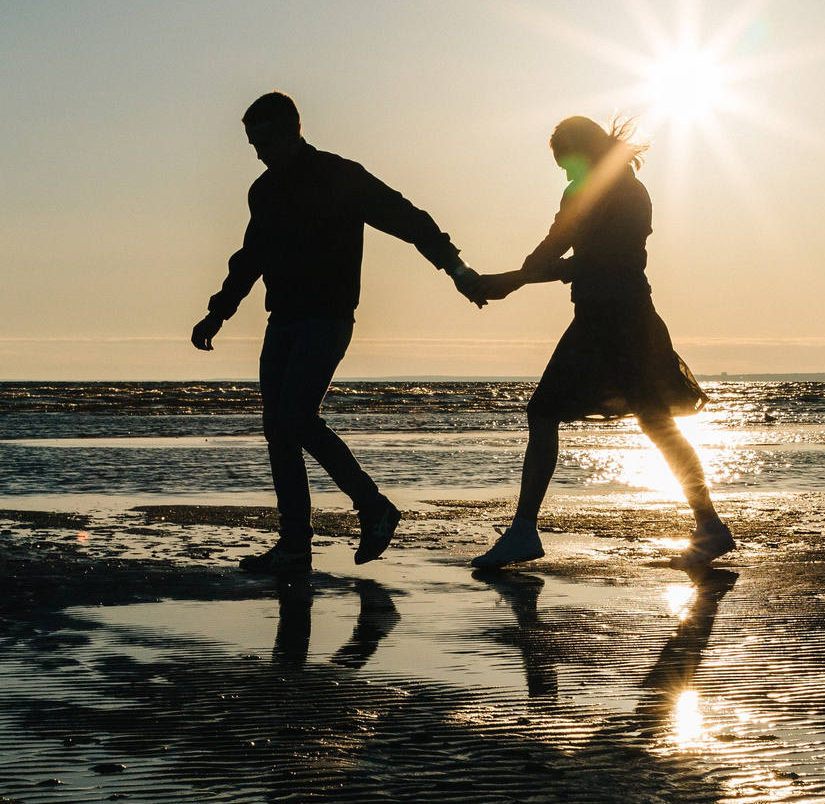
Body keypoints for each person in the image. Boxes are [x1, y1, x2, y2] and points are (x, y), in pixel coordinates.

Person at [193, 91, 487, 573]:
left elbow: (407, 219)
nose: (259, 152)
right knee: (278, 431)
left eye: (265, 140)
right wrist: (218, 312)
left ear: (293, 131)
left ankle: (373, 507)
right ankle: (294, 545)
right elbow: (250, 257)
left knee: (296, 416)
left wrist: (456, 268)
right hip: (282, 320)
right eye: (252, 143)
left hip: (327, 318)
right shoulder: (263, 192)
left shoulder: (339, 175)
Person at [463, 115, 733, 570]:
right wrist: (511, 280)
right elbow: (554, 244)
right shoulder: (577, 192)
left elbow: (603, 260)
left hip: (625, 319)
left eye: (568, 163)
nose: (566, 175)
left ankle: (525, 531)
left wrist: (517, 279)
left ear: (586, 152)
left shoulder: (630, 194)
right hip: (594, 316)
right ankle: (710, 526)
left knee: (621, 419)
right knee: (650, 422)